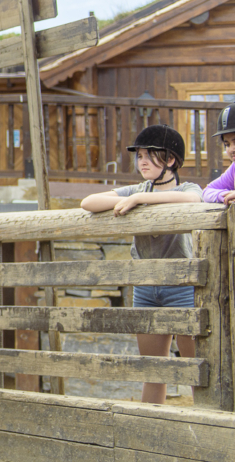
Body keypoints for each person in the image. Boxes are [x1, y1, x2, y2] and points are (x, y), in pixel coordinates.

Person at [79, 125, 202, 404]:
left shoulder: (186, 188)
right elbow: (88, 202)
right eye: (139, 156)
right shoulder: (136, 188)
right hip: (146, 288)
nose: (142, 161)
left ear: (170, 160)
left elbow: (194, 199)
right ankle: (150, 433)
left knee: (196, 368)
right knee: (152, 369)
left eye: (150, 155)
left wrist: (139, 199)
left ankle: (209, 434)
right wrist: (132, 195)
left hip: (182, 287)